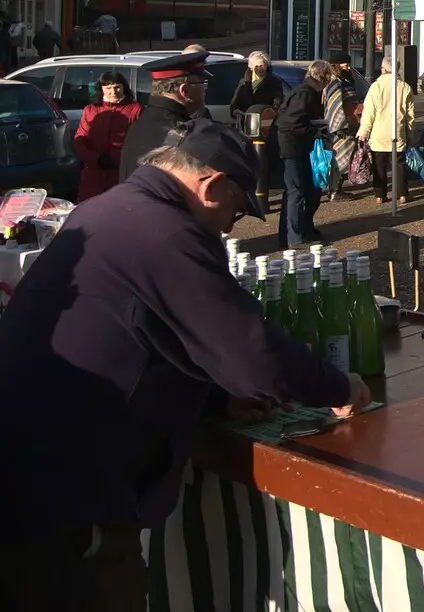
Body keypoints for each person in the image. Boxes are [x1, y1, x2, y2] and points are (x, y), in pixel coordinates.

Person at [0, 119, 367, 611]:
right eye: (236, 211)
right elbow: (254, 354)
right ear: (213, 186)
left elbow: (145, 331)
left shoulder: (108, 209)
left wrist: (218, 397)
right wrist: (339, 387)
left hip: (37, 466)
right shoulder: (165, 231)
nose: (230, 227)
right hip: (70, 491)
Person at [119, 51, 210, 181]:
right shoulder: (181, 131)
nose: (205, 90)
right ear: (184, 91)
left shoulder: (140, 123)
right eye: (203, 85)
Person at [278, 59, 332, 246]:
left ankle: (302, 231)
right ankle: (294, 238)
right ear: (324, 78)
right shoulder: (306, 93)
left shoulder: (306, 91)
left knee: (305, 190)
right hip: (292, 147)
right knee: (296, 192)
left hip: (296, 146)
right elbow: (291, 123)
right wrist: (314, 130)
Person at [73, 72, 142, 202]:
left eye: (117, 87)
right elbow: (81, 140)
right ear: (101, 89)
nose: (113, 92)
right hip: (94, 175)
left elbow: (140, 142)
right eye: (108, 88)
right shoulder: (91, 110)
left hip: (123, 174)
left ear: (124, 87)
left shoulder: (135, 110)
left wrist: (121, 161)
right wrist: (96, 159)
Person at [358, 55, 415, 206]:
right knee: (399, 165)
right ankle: (402, 194)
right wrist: (410, 130)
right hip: (397, 130)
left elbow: (369, 111)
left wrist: (364, 130)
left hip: (379, 132)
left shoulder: (376, 87)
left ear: (383, 69)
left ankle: (379, 195)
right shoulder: (405, 87)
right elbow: (410, 113)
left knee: (379, 165)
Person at [320, 51, 360, 199]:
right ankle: (335, 191)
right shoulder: (334, 81)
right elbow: (335, 105)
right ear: (336, 65)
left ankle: (337, 189)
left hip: (348, 123)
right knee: (338, 159)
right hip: (339, 127)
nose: (348, 68)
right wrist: (340, 126)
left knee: (343, 157)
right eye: (345, 65)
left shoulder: (344, 79)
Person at [229, 51, 285, 122]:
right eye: (256, 66)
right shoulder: (243, 82)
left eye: (262, 65)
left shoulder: (274, 82)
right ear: (251, 67)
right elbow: (235, 103)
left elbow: (277, 105)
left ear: (266, 66)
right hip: (245, 123)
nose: (259, 69)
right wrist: (236, 112)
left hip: (264, 124)